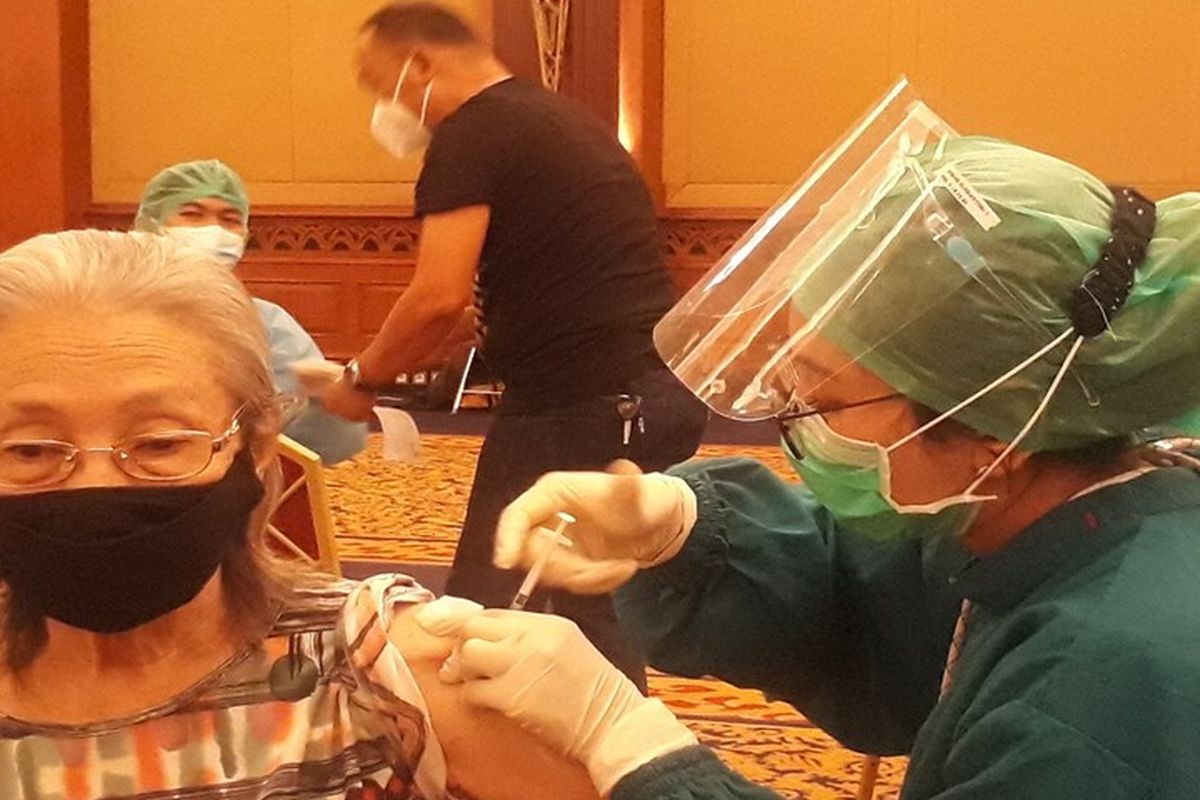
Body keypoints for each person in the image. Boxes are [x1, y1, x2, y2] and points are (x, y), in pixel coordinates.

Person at [436, 117, 1200, 797]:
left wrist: (627, 746)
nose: (796, 421)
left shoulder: (1097, 698)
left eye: (829, 403)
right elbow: (882, 604)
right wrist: (679, 529)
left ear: (992, 445)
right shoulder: (1051, 511)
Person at [0, 230, 603, 800]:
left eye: (161, 444)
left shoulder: (389, 677)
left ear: (257, 445)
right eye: (29, 450)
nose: (98, 482)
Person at [323, 3, 708, 685]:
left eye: (379, 84)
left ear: (420, 65)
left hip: (582, 408)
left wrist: (360, 378)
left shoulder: (470, 136)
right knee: (585, 604)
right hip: (653, 391)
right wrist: (499, 328)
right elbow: (576, 269)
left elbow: (436, 295)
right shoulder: (558, 120)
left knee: (487, 609)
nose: (381, 105)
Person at [135, 159, 368, 465]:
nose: (213, 230)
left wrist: (325, 405)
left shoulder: (266, 324)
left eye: (230, 219)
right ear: (151, 223)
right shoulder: (109, 309)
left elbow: (324, 448)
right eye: (192, 214)